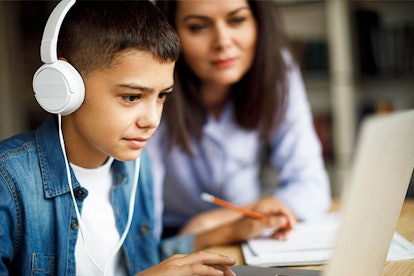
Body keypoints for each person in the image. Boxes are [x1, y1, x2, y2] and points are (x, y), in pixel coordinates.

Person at [0, 1, 237, 275]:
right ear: (66, 86)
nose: (152, 120)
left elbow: (144, 258)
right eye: (132, 97)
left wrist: (231, 230)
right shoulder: (8, 182)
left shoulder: (138, 166)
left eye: (162, 96)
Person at [146, 0, 332, 245]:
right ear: (171, 33)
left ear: (258, 22)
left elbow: (312, 186)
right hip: (169, 237)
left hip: (246, 228)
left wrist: (212, 222)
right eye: (198, 27)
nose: (223, 42)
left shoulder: (277, 68)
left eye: (237, 20)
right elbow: (144, 231)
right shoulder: (151, 82)